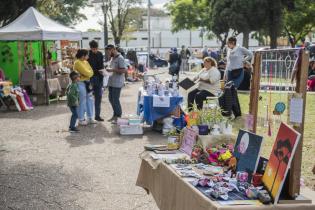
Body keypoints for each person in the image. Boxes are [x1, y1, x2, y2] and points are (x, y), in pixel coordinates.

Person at [105, 44, 127, 124]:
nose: (108, 53)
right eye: (107, 51)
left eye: (109, 51)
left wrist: (112, 70)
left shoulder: (120, 58)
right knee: (111, 99)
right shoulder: (112, 58)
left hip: (117, 82)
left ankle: (118, 117)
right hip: (111, 82)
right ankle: (115, 115)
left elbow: (124, 70)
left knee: (115, 100)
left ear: (114, 49)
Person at [73, 49, 96, 125]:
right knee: (82, 100)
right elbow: (88, 73)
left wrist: (88, 73)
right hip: (80, 83)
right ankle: (81, 118)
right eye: (87, 55)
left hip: (87, 82)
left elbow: (91, 72)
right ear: (83, 55)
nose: (88, 56)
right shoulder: (77, 62)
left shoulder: (86, 62)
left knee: (90, 99)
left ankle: (90, 117)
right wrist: (88, 73)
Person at [88, 40, 104, 122]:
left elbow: (101, 65)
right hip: (90, 78)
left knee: (98, 97)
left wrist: (103, 72)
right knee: (89, 97)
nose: (95, 50)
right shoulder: (87, 54)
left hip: (99, 78)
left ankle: (97, 115)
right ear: (90, 48)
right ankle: (89, 116)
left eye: (96, 48)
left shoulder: (100, 54)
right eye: (93, 49)